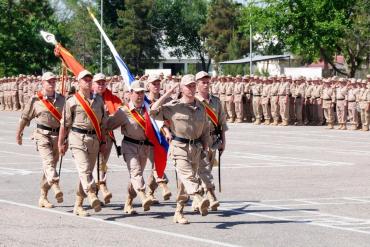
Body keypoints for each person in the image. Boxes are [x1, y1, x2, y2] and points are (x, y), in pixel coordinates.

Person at [150, 74, 211, 224]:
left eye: (193, 86)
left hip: (195, 148)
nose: (191, 88)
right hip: (179, 147)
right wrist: (166, 94)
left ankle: (178, 212)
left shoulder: (201, 107)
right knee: (188, 176)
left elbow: (205, 129)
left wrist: (206, 145)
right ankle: (198, 197)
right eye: (188, 86)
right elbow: (153, 111)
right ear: (182, 88)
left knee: (184, 183)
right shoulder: (173, 106)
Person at [58, 70, 107, 216]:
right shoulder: (71, 101)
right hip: (77, 138)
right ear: (78, 82)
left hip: (94, 139)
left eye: (89, 79)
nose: (88, 81)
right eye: (84, 80)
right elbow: (65, 124)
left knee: (86, 173)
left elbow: (103, 123)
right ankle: (92, 194)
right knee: (84, 169)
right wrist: (61, 143)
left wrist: (103, 141)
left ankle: (78, 205)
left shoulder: (98, 100)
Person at [16, 72, 65, 208]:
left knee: (49, 168)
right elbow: (25, 117)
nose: (52, 83)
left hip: (57, 137)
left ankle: (43, 196)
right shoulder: (36, 100)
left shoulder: (62, 100)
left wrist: (65, 139)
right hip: (41, 135)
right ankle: (55, 185)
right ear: (42, 83)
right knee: (48, 162)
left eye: (54, 81)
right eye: (49, 81)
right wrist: (18, 133)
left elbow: (66, 121)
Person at [107, 80, 154, 214]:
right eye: (137, 93)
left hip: (144, 147)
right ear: (130, 93)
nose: (140, 95)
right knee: (136, 172)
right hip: (129, 145)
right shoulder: (124, 111)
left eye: (142, 92)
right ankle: (143, 196)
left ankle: (128, 201)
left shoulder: (149, 109)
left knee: (135, 176)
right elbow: (109, 125)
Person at [195, 71, 227, 211]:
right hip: (198, 140)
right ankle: (209, 195)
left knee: (207, 169)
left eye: (208, 82)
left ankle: (198, 200)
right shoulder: (193, 101)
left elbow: (222, 123)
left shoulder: (216, 101)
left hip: (214, 139)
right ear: (196, 84)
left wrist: (223, 141)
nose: (206, 85)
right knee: (203, 169)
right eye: (203, 82)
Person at [92, 73, 123, 205]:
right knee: (92, 164)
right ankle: (100, 186)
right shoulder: (87, 97)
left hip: (107, 136)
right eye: (98, 83)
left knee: (102, 162)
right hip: (91, 135)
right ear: (93, 84)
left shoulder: (112, 98)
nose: (101, 85)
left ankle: (96, 192)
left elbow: (120, 111)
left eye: (103, 82)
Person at [145, 75, 172, 203]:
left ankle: (149, 192)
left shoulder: (167, 100)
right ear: (148, 85)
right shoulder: (144, 100)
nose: (156, 86)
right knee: (157, 163)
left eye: (158, 84)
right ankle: (163, 185)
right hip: (150, 137)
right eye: (153, 84)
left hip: (164, 136)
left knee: (157, 164)